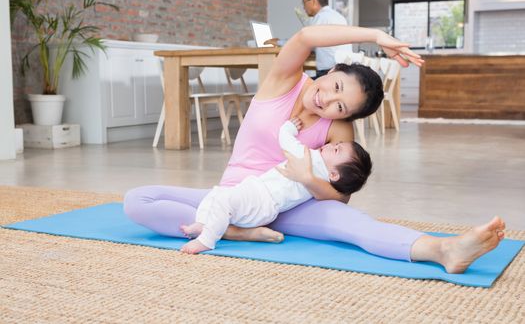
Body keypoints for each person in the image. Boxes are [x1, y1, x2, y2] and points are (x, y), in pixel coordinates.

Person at [124, 24, 505, 274]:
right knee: (137, 201)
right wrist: (375, 35)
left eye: (342, 105)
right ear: (330, 72)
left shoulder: (336, 128)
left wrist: (309, 179)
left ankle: (443, 251)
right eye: (335, 86)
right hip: (233, 198)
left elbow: (341, 196)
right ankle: (238, 231)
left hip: (286, 208)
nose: (328, 101)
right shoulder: (284, 80)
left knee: (353, 226)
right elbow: (305, 36)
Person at [180, 118, 372, 254]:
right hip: (260, 198)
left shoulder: (310, 159)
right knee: (219, 195)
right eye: (335, 144)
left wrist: (288, 127)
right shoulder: (321, 181)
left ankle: (206, 241)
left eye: (336, 149)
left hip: (261, 200)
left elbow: (286, 141)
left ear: (333, 174)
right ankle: (203, 225)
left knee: (222, 199)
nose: (329, 145)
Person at [300, 0, 352, 79]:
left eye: (304, 2)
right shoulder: (339, 17)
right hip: (345, 72)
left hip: (329, 73)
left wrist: (279, 42)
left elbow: (304, 43)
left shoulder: (320, 17)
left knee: (299, 86)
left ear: (314, 1)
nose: (303, 7)